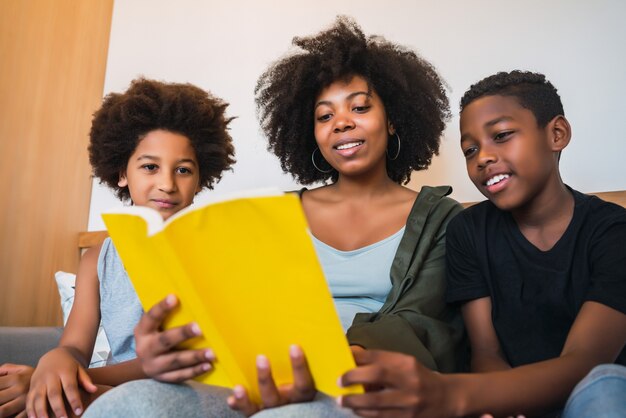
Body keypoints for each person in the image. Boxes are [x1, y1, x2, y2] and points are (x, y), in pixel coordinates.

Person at [83, 16, 465, 418]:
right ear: (310, 132)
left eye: (360, 107)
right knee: (129, 405)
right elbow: (232, 312)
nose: (342, 122)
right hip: (259, 379)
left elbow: (425, 322)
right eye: (324, 115)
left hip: (360, 382)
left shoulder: (440, 219)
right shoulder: (271, 215)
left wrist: (332, 358)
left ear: (392, 118)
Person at [335, 71, 626, 418]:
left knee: (606, 383)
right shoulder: (467, 231)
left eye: (501, 136)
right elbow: (486, 352)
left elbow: (587, 362)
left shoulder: (613, 232)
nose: (483, 157)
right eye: (470, 149)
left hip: (595, 398)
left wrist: (456, 394)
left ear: (556, 134)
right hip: (507, 401)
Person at [7, 78, 235, 418]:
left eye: (183, 170)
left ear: (200, 179)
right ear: (121, 173)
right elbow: (74, 345)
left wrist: (63, 381)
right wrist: (57, 361)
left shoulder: (213, 252)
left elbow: (185, 361)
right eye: (149, 167)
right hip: (111, 389)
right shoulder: (98, 259)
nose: (167, 183)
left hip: (186, 392)